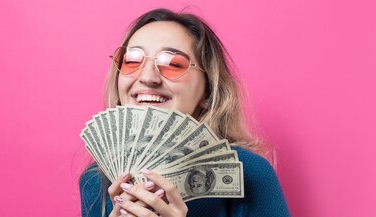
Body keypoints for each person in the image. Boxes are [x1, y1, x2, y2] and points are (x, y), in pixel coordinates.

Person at [79, 8, 291, 217]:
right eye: (132, 60)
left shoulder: (249, 172)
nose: (148, 77)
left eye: (173, 64)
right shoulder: (95, 180)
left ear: (208, 91)